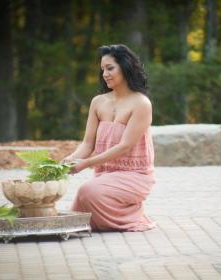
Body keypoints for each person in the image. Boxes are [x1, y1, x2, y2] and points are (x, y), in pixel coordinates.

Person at [61, 44, 156, 232]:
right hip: (104, 175)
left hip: (135, 176)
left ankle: (131, 213)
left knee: (87, 191)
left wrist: (86, 164)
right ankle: (124, 210)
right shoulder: (98, 102)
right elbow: (87, 144)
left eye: (110, 68)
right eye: (103, 69)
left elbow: (124, 146)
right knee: (89, 193)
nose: (105, 74)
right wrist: (69, 160)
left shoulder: (141, 103)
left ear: (126, 66)